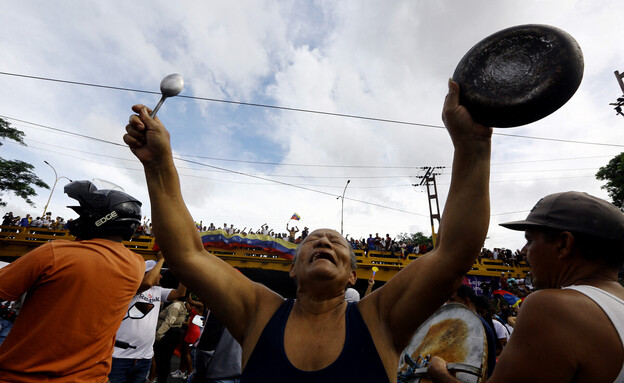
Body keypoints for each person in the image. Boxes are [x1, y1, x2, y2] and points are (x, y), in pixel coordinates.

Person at [123, 78, 492, 382]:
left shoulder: (380, 317)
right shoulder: (258, 312)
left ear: (352, 275)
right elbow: (188, 255)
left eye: (337, 242)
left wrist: (472, 146)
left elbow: (453, 254)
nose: (325, 241)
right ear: (293, 268)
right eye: (314, 239)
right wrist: (159, 167)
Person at [428, 191, 624, 382]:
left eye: (529, 241)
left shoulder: (551, 307)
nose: (523, 252)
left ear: (564, 244)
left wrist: (441, 374)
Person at [0, 180, 145, 381]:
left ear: (101, 219)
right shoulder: (137, 264)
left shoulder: (54, 253)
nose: (78, 220)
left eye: (83, 214)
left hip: (22, 375)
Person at [109, 254, 186, 383]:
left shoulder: (157, 290)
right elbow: (148, 282)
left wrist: (185, 272)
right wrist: (162, 258)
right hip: (121, 357)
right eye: (158, 272)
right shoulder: (131, 287)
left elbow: (180, 293)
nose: (161, 276)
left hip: (144, 357)